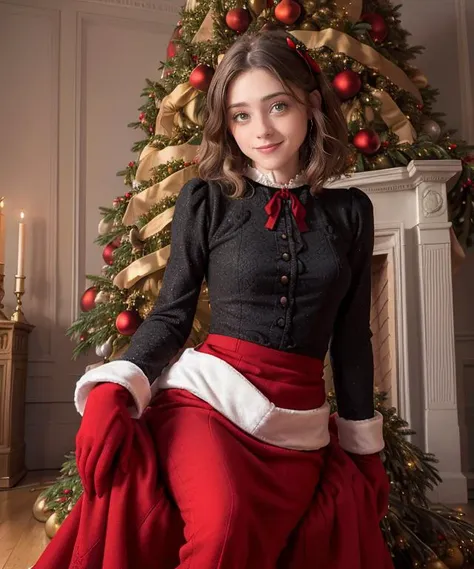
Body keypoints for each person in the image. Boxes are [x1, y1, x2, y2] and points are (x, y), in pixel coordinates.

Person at [33, 28, 393, 569]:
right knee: (224, 531)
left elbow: (351, 340)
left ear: (312, 105)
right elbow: (172, 314)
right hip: (207, 405)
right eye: (241, 114)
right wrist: (115, 386)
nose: (262, 129)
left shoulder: (351, 213)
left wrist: (367, 447)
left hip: (298, 425)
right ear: (226, 121)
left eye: (278, 106)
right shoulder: (207, 201)